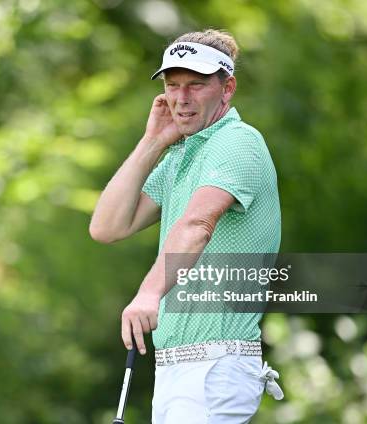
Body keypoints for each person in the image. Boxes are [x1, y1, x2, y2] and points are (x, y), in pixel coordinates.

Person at [90, 29, 283, 423]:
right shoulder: (182, 157)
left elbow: (198, 223)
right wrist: (152, 143)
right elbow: (107, 227)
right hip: (176, 368)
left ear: (227, 88)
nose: (181, 98)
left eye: (196, 85)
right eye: (172, 85)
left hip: (216, 365)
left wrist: (148, 294)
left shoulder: (238, 142)